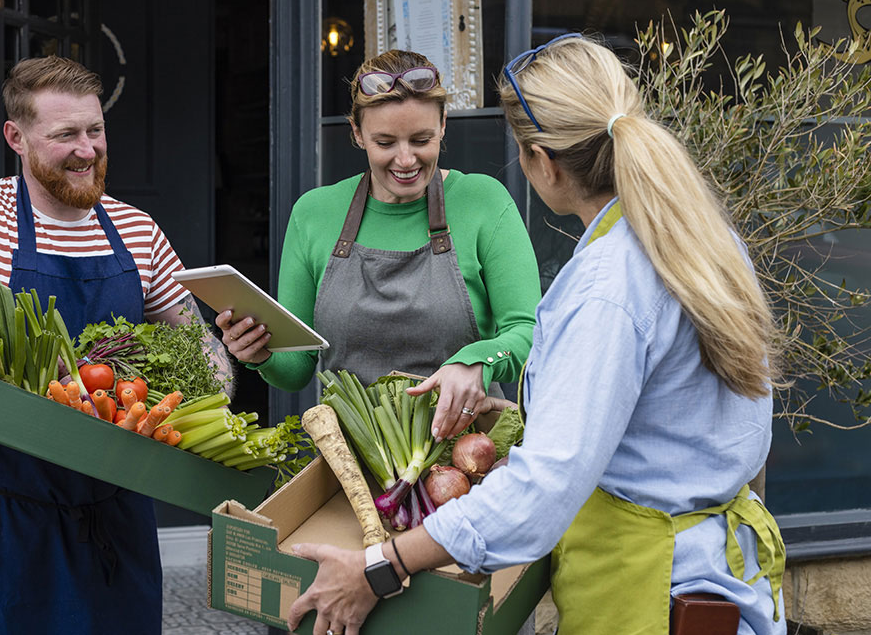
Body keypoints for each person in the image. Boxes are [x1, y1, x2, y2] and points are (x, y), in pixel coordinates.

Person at [285, 34, 786, 635]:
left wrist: (381, 568)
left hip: (649, 589)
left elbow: (543, 492)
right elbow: (748, 425)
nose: (405, 156)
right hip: (731, 575)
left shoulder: (606, 285)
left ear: (543, 163)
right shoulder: (702, 238)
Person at [0, 55, 232, 634]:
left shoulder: (136, 229)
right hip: (0, 525)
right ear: (17, 137)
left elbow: (200, 346)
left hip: (117, 519)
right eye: (65, 135)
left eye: (95, 130)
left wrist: (222, 378)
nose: (87, 149)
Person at [217, 49, 541, 431]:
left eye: (421, 139)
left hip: (472, 452)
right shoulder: (315, 214)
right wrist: (260, 353)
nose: (405, 160)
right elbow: (297, 370)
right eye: (385, 143)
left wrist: (479, 361)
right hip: (352, 458)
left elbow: (529, 335)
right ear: (357, 133)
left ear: (443, 126)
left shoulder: (482, 201)